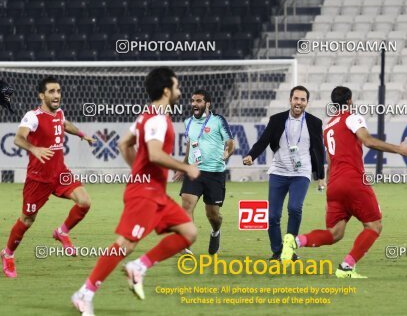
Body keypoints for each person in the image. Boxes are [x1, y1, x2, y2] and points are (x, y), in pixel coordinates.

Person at [71, 67, 200, 315]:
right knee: (125, 245)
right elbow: (153, 153)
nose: (179, 90)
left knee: (189, 232)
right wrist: (185, 167)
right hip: (144, 194)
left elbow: (123, 143)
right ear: (166, 90)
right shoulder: (158, 119)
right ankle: (84, 293)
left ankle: (139, 267)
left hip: (155, 193)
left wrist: (139, 172)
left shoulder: (146, 116)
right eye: (177, 86)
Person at [280, 86, 407, 278]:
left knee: (335, 233)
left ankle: (295, 241)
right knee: (374, 226)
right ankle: (347, 267)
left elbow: (330, 161)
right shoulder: (352, 117)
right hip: (353, 181)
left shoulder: (328, 126)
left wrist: (329, 188)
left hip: (335, 185)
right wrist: (399, 149)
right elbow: (368, 140)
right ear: (349, 101)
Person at [1, 76, 95, 278]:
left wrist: (81, 134)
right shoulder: (32, 116)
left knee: (85, 201)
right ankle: (7, 254)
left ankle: (62, 232)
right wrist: (34, 149)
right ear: (41, 95)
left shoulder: (59, 113)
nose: (56, 95)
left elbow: (64, 123)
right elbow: (18, 138)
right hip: (38, 179)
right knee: (27, 220)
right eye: (52, 91)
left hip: (61, 174)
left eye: (58, 91)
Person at [243, 85, 325, 260]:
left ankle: (289, 249)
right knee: (273, 216)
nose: (299, 102)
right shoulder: (277, 120)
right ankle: (277, 250)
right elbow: (263, 140)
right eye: (296, 98)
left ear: (307, 103)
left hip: (301, 173)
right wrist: (251, 155)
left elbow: (319, 150)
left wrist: (321, 177)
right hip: (278, 172)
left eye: (303, 99)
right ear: (290, 100)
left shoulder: (314, 122)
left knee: (295, 208)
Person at [174, 89, 234, 255]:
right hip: (194, 171)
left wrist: (226, 153)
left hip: (215, 173)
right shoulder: (188, 122)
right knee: (186, 204)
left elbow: (230, 142)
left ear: (207, 104)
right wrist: (184, 165)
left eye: (199, 101)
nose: (194, 104)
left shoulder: (218, 121)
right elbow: (190, 144)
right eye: (193, 100)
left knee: (213, 215)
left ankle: (215, 231)